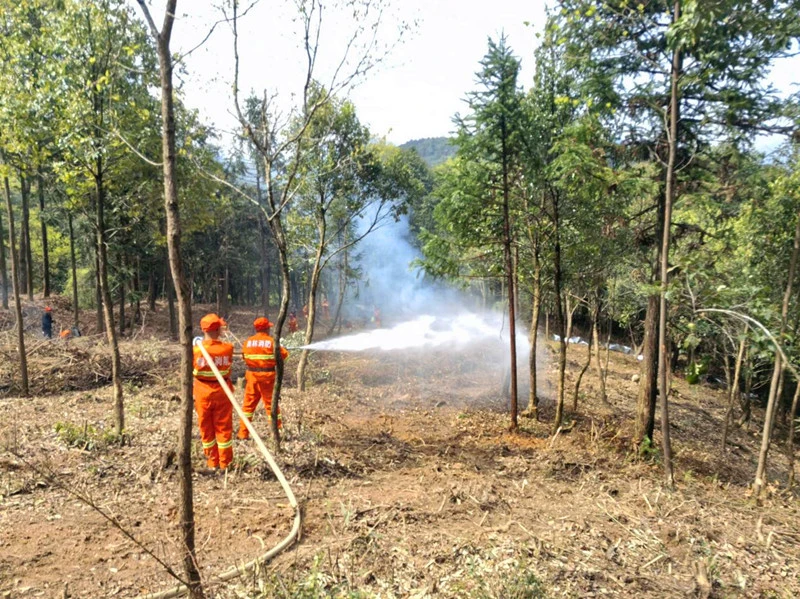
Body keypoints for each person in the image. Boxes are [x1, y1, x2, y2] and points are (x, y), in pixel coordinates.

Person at [193, 313, 235, 470]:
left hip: (202, 393)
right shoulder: (227, 348)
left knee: (206, 427)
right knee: (223, 428)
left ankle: (212, 462)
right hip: (223, 392)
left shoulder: (196, 350)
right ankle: (226, 463)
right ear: (218, 329)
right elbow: (226, 345)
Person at [237, 316, 289, 440]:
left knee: (248, 407)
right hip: (267, 379)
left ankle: (243, 434)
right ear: (266, 328)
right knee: (271, 406)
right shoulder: (272, 342)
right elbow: (284, 356)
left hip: (252, 378)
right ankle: (277, 432)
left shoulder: (248, 342)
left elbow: (244, 357)